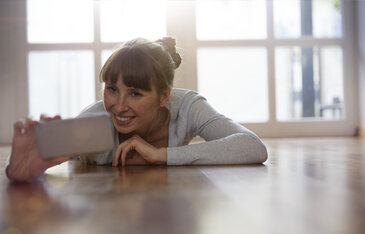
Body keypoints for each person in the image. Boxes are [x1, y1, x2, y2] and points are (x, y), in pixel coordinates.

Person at [5, 37, 268, 183]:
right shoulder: (97, 120)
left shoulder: (187, 106)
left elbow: (253, 147)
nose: (118, 106)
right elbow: (31, 163)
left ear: (164, 95)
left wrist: (161, 155)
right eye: (111, 88)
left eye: (135, 93)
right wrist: (17, 172)